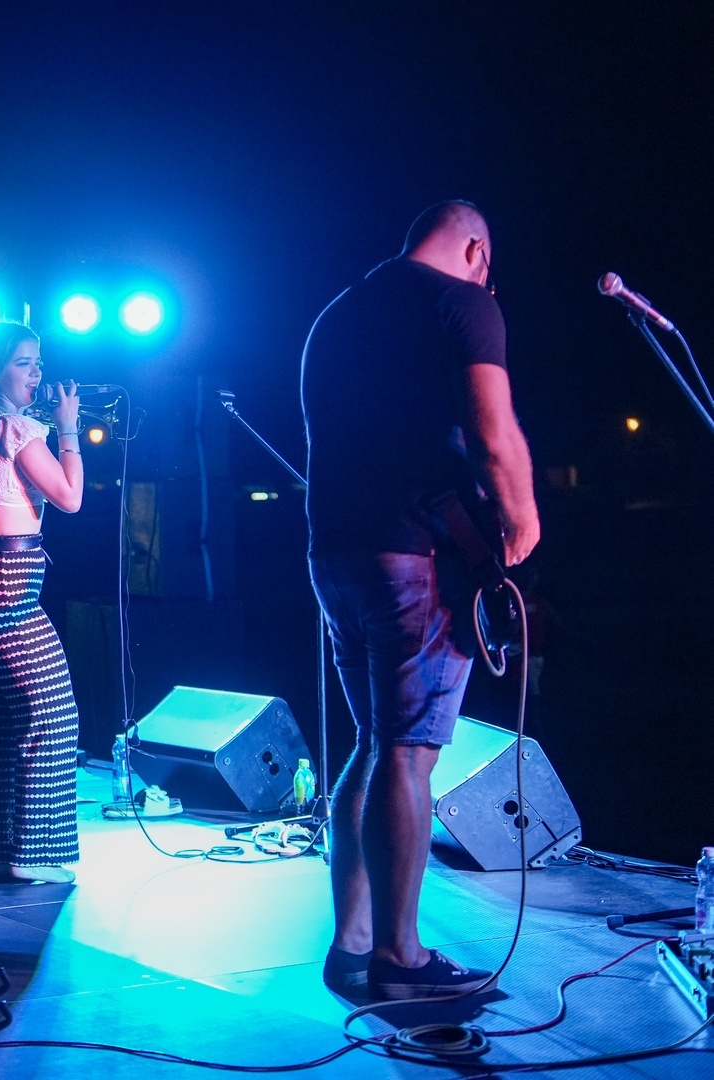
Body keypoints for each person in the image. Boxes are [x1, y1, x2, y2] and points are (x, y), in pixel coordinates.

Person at [302, 200, 539, 1000]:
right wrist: (523, 523)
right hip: (416, 556)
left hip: (335, 552)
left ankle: (352, 946)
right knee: (408, 752)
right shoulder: (462, 303)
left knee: (374, 743)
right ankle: (401, 957)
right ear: (476, 250)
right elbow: (493, 434)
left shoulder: (340, 313)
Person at [0, 321, 85, 884]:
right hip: (5, 584)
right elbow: (70, 498)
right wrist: (69, 430)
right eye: (24, 362)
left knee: (3, 723)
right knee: (52, 715)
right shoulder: (12, 427)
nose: (37, 373)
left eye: (38, 362)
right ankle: (31, 854)